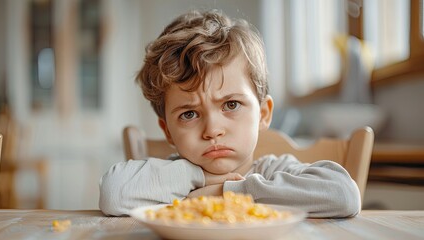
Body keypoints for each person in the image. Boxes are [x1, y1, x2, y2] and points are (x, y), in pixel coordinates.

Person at [99, 9, 361, 218]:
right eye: (189, 114)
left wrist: (228, 191)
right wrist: (201, 177)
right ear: (167, 130)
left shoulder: (273, 171)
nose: (213, 130)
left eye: (231, 105)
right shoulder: (167, 178)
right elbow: (113, 193)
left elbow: (343, 194)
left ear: (263, 114)